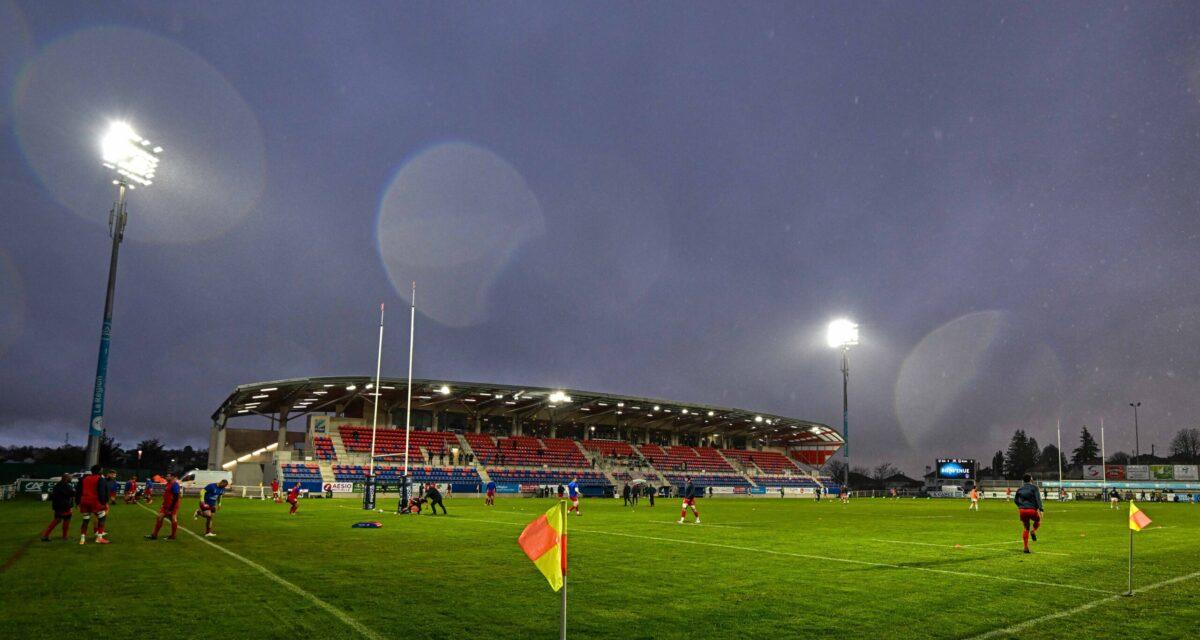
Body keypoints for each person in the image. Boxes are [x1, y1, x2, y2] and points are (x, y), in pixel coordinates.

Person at [76, 466, 111, 545]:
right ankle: (99, 538)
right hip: (95, 501)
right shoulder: (100, 479)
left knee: (85, 520)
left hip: (84, 501)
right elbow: (102, 492)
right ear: (99, 471)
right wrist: (104, 502)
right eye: (101, 470)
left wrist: (78, 502)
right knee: (102, 517)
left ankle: (82, 539)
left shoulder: (84, 479)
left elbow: (78, 491)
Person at [146, 472, 182, 540]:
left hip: (172, 506)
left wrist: (171, 508)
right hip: (165, 505)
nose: (166, 477)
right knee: (160, 517)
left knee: (173, 519)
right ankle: (154, 535)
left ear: (172, 477)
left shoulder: (175, 485)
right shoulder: (168, 484)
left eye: (168, 476)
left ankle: (173, 536)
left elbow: (176, 497)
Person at [1014, 474, 1044, 554]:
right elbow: (1038, 499)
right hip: (1032, 510)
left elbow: (1015, 500)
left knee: (1026, 528)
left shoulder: (1019, 489)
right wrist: (1041, 509)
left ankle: (1026, 547)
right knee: (1038, 521)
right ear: (1031, 479)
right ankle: (1033, 531)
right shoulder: (1034, 487)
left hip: (1023, 510)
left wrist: (1020, 506)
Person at [40, 473, 75, 542]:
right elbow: (72, 493)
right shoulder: (67, 486)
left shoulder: (57, 485)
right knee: (66, 520)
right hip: (65, 506)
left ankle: (45, 535)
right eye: (70, 478)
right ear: (66, 478)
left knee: (57, 520)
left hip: (57, 506)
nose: (71, 479)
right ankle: (64, 537)